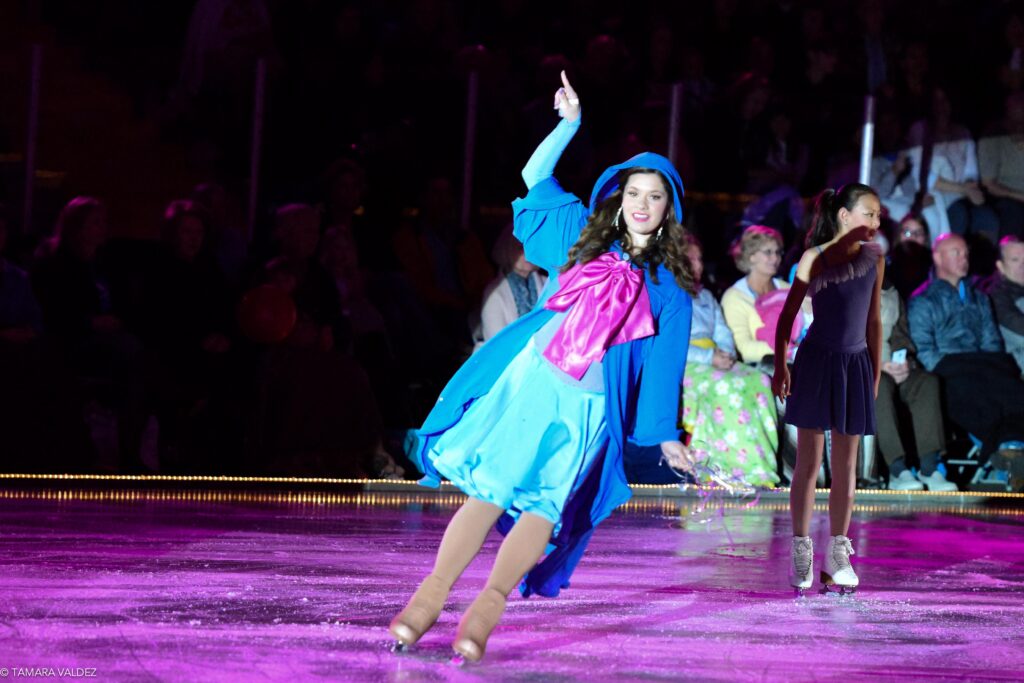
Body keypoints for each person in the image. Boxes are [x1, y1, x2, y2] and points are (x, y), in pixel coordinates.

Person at [391, 72, 696, 662]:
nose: (642, 205)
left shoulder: (670, 291)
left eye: (655, 197)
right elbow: (535, 178)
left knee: (543, 506)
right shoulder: (581, 237)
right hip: (532, 385)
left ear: (668, 210)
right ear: (619, 196)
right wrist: (569, 126)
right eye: (634, 193)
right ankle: (429, 597)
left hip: (590, 409)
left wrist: (664, 436)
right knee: (489, 489)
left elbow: (664, 370)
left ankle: (487, 609)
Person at [772, 183, 885, 594]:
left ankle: (838, 553)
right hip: (817, 361)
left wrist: (872, 373)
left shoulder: (875, 258)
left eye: (878, 217)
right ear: (843, 215)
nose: (875, 222)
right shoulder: (814, 258)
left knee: (847, 466)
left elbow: (874, 321)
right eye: (868, 214)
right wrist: (781, 365)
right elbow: (786, 318)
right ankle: (802, 548)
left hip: (855, 363)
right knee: (808, 462)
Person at [908, 233, 1024, 476]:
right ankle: (1004, 451)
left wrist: (989, 363)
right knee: (971, 396)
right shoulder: (923, 301)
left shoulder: (979, 298)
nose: (964, 259)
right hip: (949, 369)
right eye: (956, 253)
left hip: (983, 364)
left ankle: (1011, 447)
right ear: (938, 257)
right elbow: (924, 349)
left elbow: (992, 341)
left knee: (1011, 388)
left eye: (965, 253)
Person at [680, 234, 780, 488]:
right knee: (726, 387)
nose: (698, 265)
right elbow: (670, 344)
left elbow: (722, 332)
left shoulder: (705, 297)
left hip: (715, 358)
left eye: (699, 259)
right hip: (687, 362)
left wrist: (724, 353)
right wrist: (708, 357)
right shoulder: (668, 295)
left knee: (759, 380)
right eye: (690, 259)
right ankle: (725, 467)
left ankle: (760, 466)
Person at [875, 277, 954, 491]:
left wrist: (905, 363)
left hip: (892, 368)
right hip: (858, 371)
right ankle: (897, 469)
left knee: (926, 383)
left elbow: (902, 338)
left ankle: (929, 467)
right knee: (878, 384)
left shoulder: (890, 291)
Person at [721, 225, 794, 367]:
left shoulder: (788, 289)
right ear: (751, 256)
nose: (775, 258)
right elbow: (743, 348)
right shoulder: (734, 297)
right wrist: (790, 351)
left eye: (778, 252)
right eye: (768, 252)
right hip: (759, 370)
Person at [475, 224, 547, 347]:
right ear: (507, 249)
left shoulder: (549, 283)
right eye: (520, 247)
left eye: (530, 247)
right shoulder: (494, 292)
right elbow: (496, 344)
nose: (526, 253)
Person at [985, 236, 1024, 374]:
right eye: (1015, 260)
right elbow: (1015, 323)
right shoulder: (996, 295)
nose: (1022, 265)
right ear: (1000, 266)